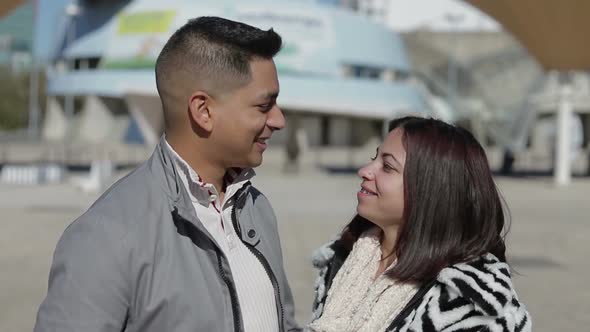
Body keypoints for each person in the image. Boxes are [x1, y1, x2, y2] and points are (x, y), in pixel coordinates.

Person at [35, 16, 300, 332]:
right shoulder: (106, 236)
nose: (279, 120)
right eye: (264, 106)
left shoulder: (257, 209)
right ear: (203, 111)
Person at [307, 116, 531, 332]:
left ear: (431, 190)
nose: (364, 171)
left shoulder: (471, 301)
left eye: (387, 166)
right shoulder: (344, 256)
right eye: (374, 157)